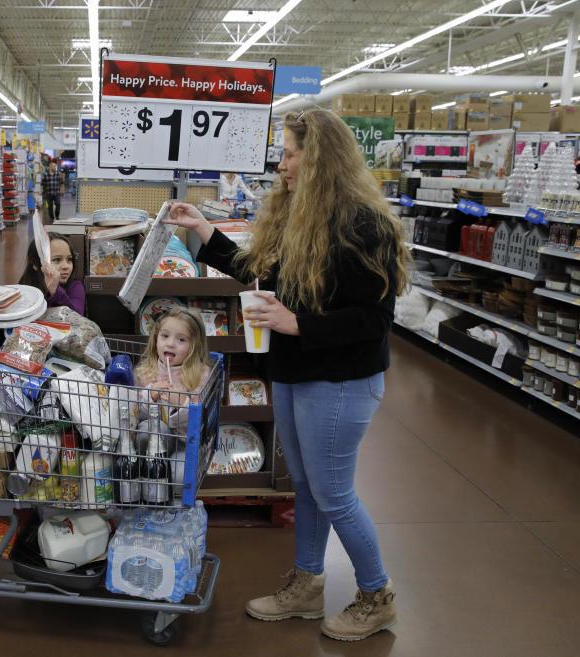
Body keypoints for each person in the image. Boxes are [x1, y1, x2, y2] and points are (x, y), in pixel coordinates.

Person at [164, 109, 410, 642]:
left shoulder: (363, 224)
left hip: (342, 380)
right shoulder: (301, 214)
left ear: (321, 159)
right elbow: (259, 272)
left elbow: (373, 319)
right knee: (304, 486)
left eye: (292, 153)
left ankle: (377, 595)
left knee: (333, 492)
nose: (282, 164)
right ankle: (307, 586)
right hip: (298, 372)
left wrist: (296, 322)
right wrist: (204, 230)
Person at [134, 308, 212, 443]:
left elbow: (200, 420)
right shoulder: (144, 372)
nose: (170, 344)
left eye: (181, 339)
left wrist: (183, 403)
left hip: (185, 443)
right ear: (156, 339)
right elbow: (136, 414)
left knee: (182, 464)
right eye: (165, 336)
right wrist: (150, 396)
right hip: (150, 442)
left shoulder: (200, 375)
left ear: (194, 347)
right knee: (150, 429)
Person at [18, 232, 85, 314]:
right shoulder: (25, 289)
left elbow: (76, 316)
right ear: (35, 264)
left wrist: (55, 291)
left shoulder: (75, 287)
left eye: (69, 259)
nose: (66, 266)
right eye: (57, 260)